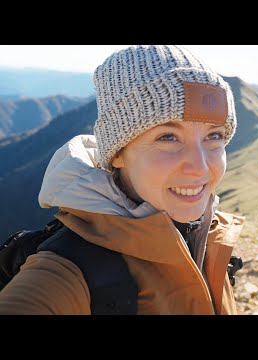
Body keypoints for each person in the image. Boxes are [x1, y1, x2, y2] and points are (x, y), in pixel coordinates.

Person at [0, 45, 245, 315]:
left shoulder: (206, 236)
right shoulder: (67, 270)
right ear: (118, 153)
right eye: (167, 137)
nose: (200, 167)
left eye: (214, 136)